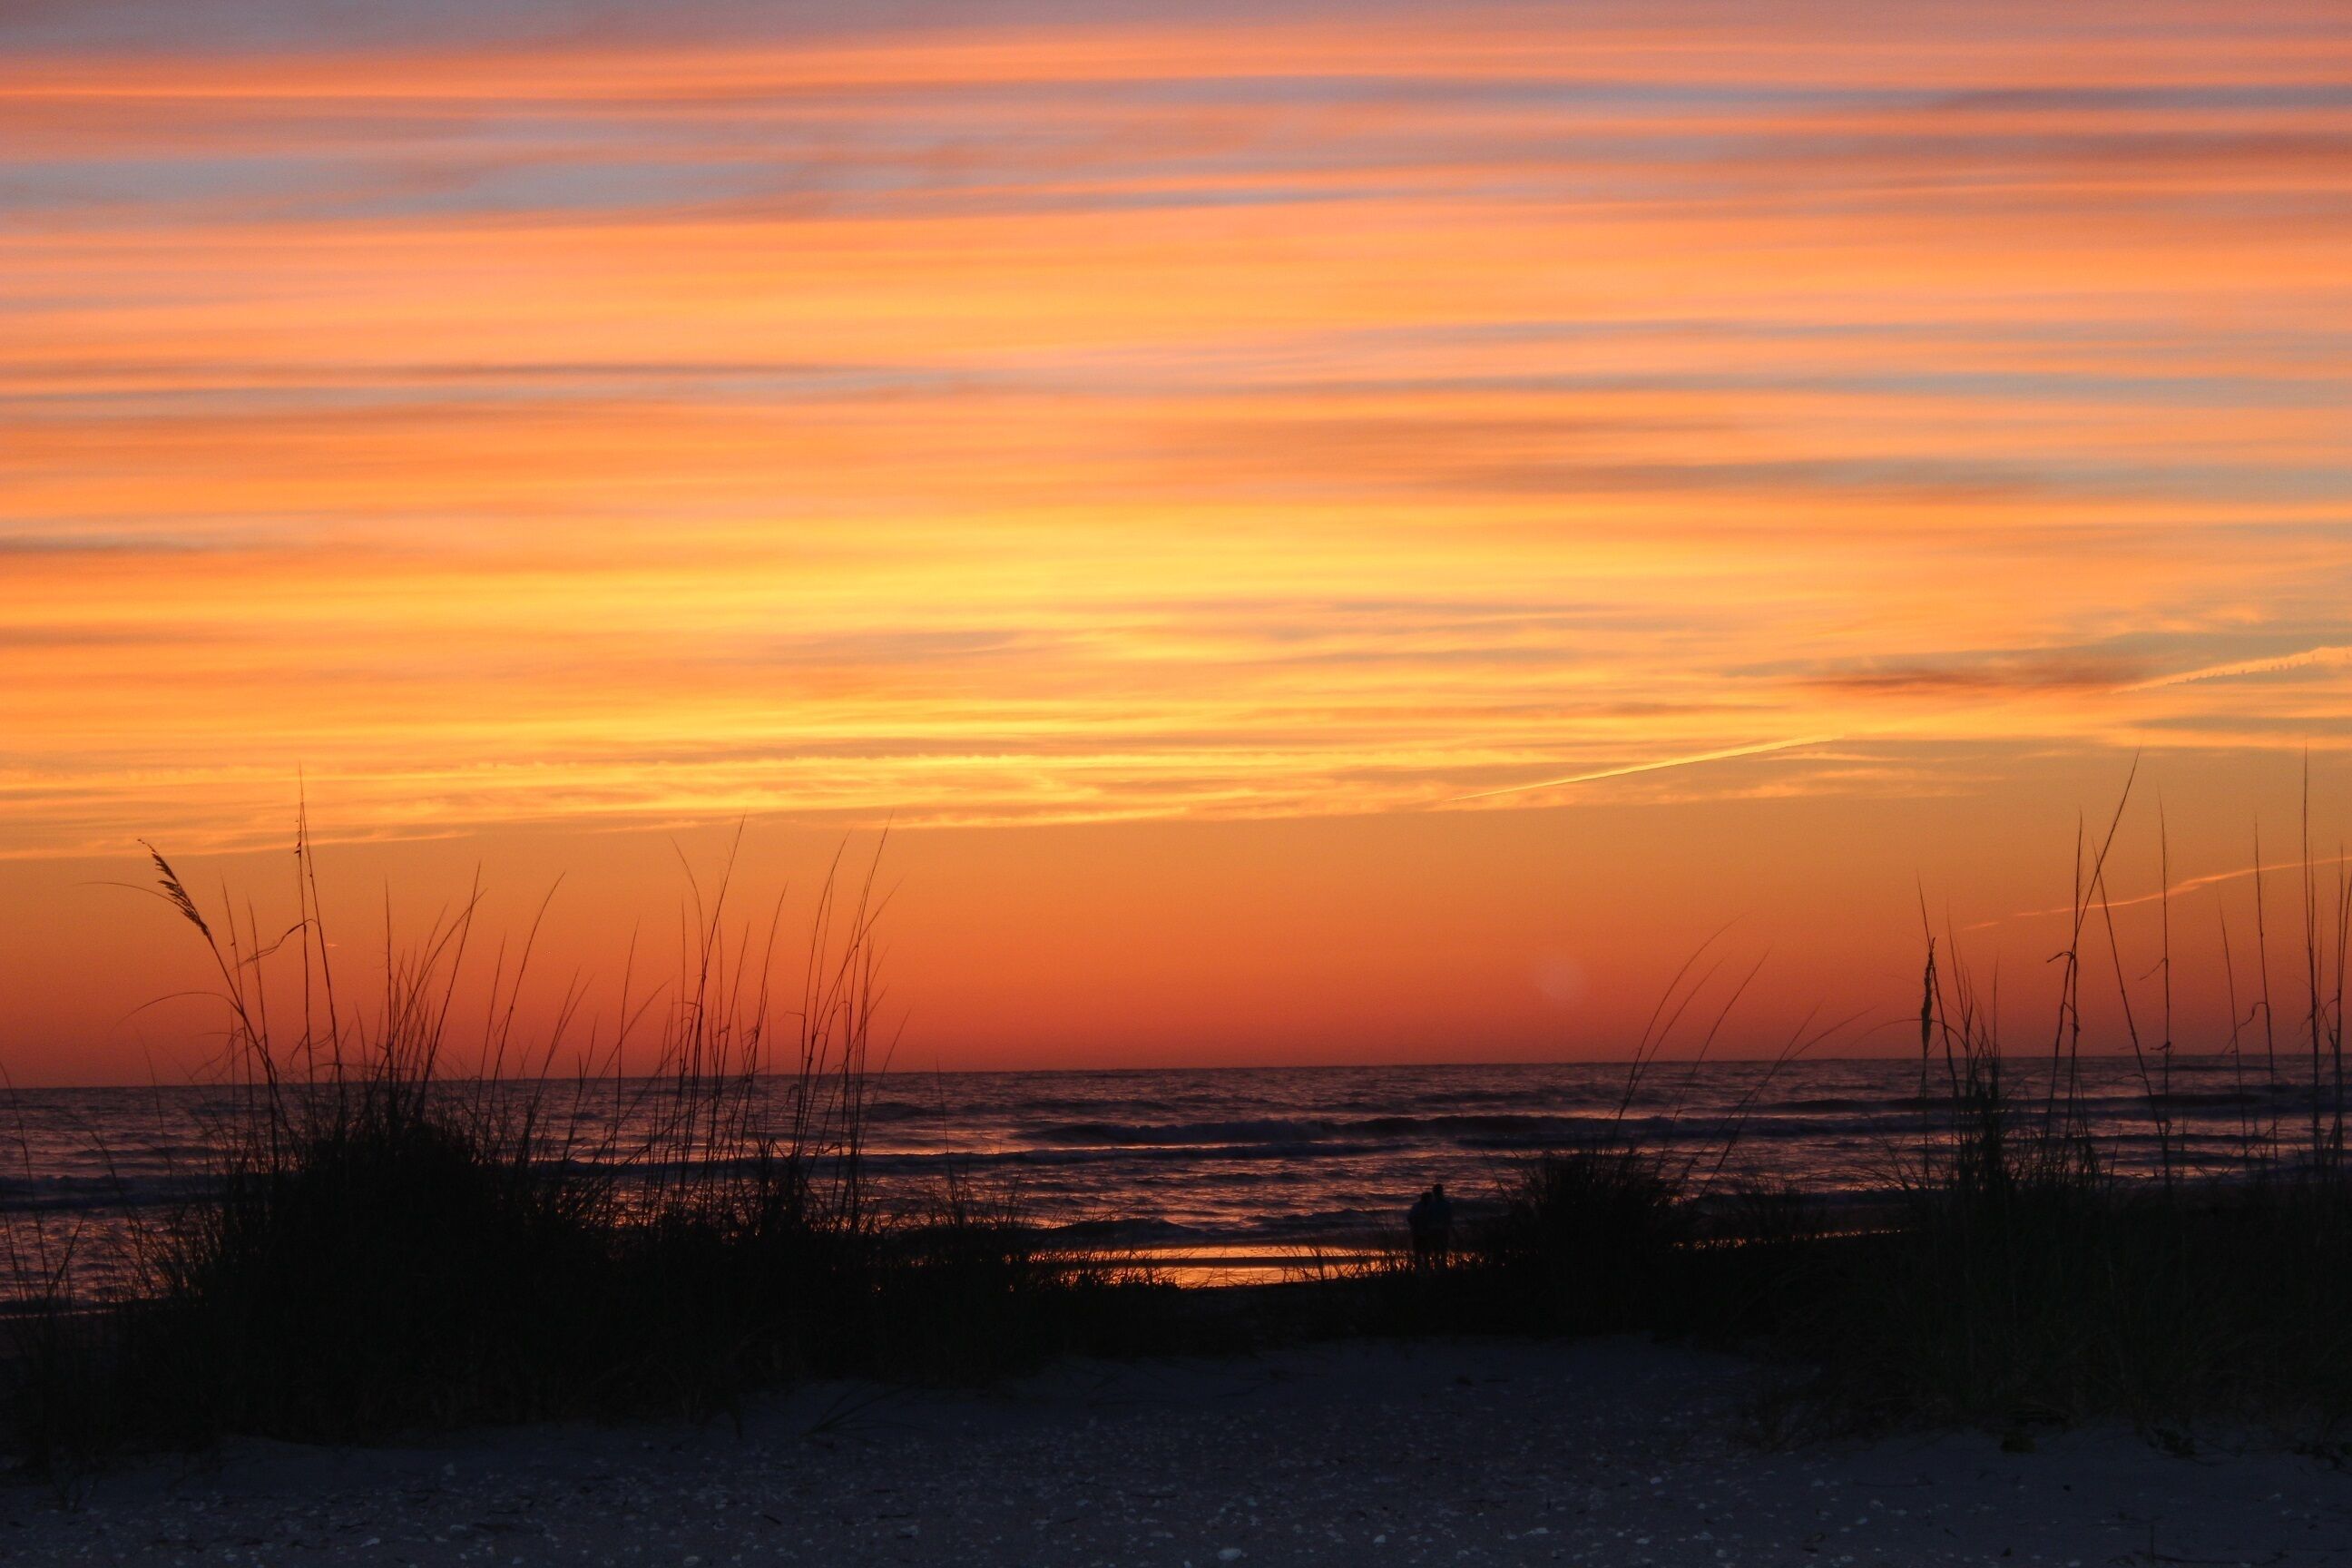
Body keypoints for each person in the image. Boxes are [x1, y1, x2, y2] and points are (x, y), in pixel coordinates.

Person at [1406, 1181, 1454, 1268]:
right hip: (1440, 1230)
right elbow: (1449, 1219)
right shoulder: (1445, 1204)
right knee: (1441, 1252)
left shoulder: (1431, 1205)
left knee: (1434, 1252)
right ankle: (1440, 1269)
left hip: (1433, 1230)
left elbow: (1426, 1218)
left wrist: (1418, 1228)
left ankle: (1430, 1269)